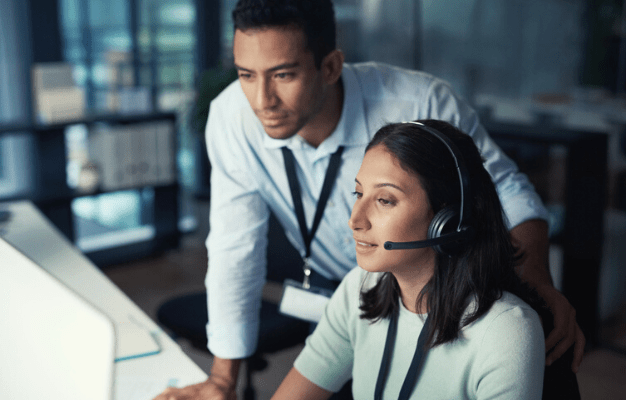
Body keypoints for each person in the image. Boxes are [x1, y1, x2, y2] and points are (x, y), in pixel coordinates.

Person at [155, 1, 583, 399]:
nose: (261, 101)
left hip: (443, 294)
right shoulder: (233, 118)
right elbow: (235, 248)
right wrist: (222, 379)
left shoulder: (418, 102)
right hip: (362, 297)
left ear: (330, 67)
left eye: (283, 75)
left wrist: (535, 287)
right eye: (246, 74)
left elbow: (504, 193)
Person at [272, 119, 546, 399]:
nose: (354, 220)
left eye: (385, 200)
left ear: (448, 220)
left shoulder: (505, 331)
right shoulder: (360, 287)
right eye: (359, 193)